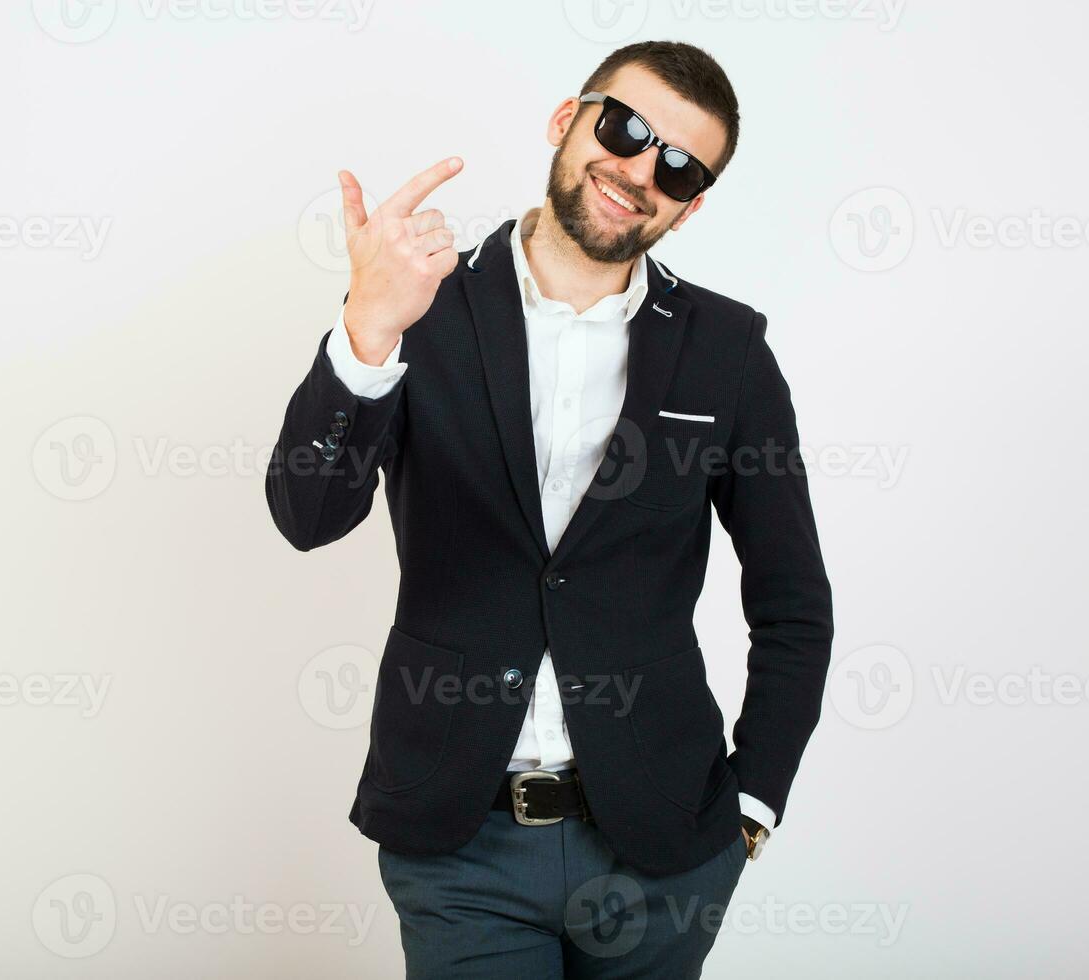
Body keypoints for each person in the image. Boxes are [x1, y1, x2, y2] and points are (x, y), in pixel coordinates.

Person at [266, 40, 834, 978]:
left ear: (691, 207)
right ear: (567, 120)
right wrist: (367, 329)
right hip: (461, 840)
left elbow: (793, 606)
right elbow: (306, 512)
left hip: (662, 851)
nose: (640, 169)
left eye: (678, 166)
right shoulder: (420, 304)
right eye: (626, 128)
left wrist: (754, 807)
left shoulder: (728, 351)